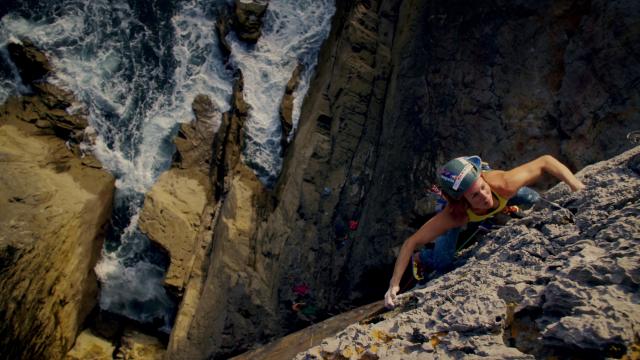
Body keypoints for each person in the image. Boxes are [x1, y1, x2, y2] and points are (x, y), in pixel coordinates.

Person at [384, 155, 585, 308]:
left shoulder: (503, 184)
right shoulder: (455, 215)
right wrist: (394, 284)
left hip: (502, 195)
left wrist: (576, 186)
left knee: (531, 199)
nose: (484, 196)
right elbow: (410, 242)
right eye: (475, 195)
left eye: (482, 187)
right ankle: (423, 258)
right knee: (443, 262)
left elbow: (546, 161)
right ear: (463, 201)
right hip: (460, 211)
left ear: (482, 178)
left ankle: (506, 208)